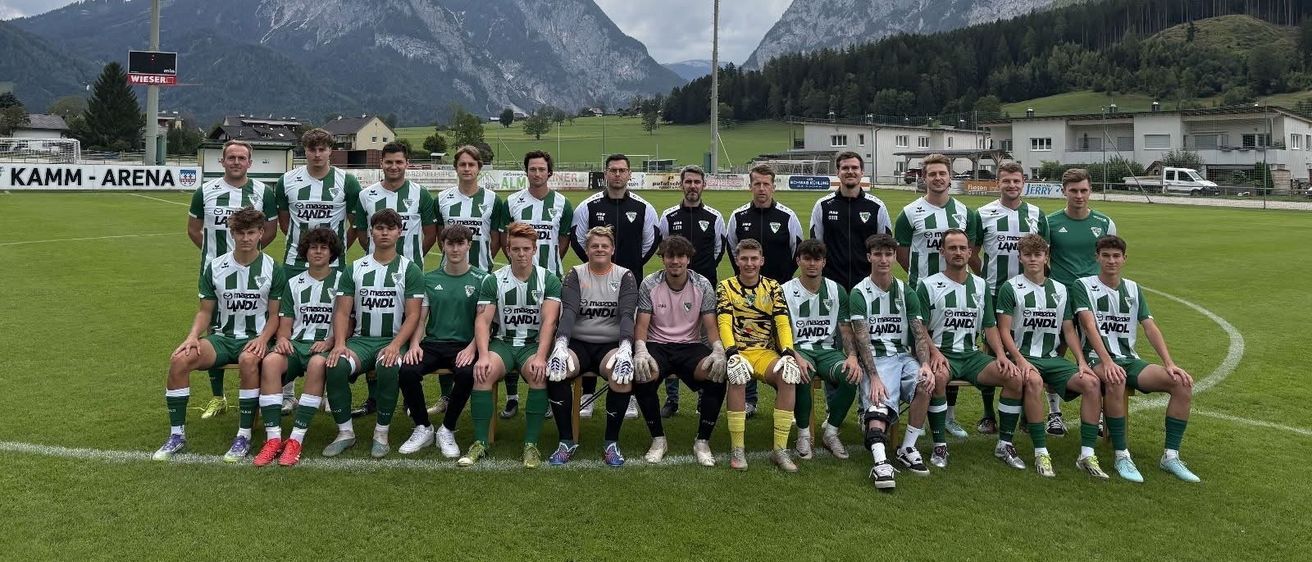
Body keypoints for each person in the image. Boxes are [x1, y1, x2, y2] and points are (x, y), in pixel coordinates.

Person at [280, 209, 425, 464]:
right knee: (335, 364)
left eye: (390, 228)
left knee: (389, 366)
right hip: (360, 340)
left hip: (392, 339)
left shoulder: (409, 269)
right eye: (379, 228)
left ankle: (381, 433)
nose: (384, 233)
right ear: (371, 232)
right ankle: (345, 432)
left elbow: (413, 316)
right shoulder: (356, 268)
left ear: (399, 232)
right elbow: (343, 311)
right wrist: (339, 344)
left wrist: (394, 345)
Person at [154, 207, 285, 461]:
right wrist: (192, 336)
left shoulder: (272, 268)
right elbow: (205, 311)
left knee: (248, 360)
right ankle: (176, 435)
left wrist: (261, 339)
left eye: (251, 232)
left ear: (261, 233)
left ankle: (243, 435)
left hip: (256, 339)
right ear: (232, 234)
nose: (245, 238)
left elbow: (275, 316)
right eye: (240, 233)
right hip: (222, 339)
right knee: (179, 360)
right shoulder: (216, 267)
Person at [915, 229, 1044, 472]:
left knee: (1014, 377)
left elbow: (989, 325)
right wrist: (933, 353)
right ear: (942, 252)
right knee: (939, 377)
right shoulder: (928, 285)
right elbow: (919, 328)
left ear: (971, 252)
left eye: (963, 248)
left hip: (971, 355)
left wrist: (999, 355)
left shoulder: (980, 285)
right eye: (952, 248)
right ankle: (940, 444)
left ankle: (1004, 444)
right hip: (943, 352)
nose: (958, 252)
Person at [1073, 235, 1199, 483]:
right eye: (1106, 255)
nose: (1111, 261)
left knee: (1182, 383)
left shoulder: (1133, 288)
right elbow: (1088, 325)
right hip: (1096, 359)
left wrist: (1169, 363)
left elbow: (1149, 326)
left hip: (1129, 359)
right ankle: (1122, 455)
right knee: (1116, 380)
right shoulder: (1083, 285)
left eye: (1116, 256)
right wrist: (1107, 361)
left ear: (1124, 259)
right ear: (1097, 258)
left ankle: (1170, 457)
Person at [994, 234, 1106, 478]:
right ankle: (1040, 451)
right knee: (1033, 381)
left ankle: (1087, 454)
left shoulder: (1060, 289)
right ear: (1020, 257)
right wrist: (1020, 359)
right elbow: (1003, 330)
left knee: (1091, 382)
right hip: (1022, 355)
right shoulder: (1011, 287)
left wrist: (1081, 361)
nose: (1033, 259)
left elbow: (1068, 329)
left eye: (1038, 254)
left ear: (1046, 257)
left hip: (1053, 358)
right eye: (1028, 255)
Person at [894, 153, 987, 440]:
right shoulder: (909, 212)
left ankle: (949, 415)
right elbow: (902, 252)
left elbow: (971, 250)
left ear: (950, 177)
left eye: (942, 174)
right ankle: (917, 408)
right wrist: (923, 277)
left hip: (956, 290)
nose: (937, 178)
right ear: (924, 178)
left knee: (954, 347)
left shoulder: (965, 213)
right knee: (920, 353)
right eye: (931, 174)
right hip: (922, 292)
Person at [186, 139, 278, 420]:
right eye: (231, 158)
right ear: (222, 161)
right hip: (215, 274)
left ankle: (260, 396)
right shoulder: (206, 191)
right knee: (216, 329)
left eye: (242, 158)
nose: (236, 162)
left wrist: (250, 255)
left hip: (254, 273)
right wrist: (218, 259)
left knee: (258, 328)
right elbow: (193, 229)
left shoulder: (264, 192)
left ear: (250, 162)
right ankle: (218, 397)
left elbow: (271, 231)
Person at [458, 222, 562, 469]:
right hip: (503, 343)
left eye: (526, 248)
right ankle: (480, 442)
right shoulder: (494, 280)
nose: (522, 254)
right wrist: (483, 355)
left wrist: (540, 356)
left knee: (538, 375)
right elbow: (483, 321)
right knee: (482, 373)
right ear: (508, 250)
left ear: (535, 249)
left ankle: (531, 444)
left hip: (532, 345)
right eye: (516, 249)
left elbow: (549, 323)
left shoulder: (548, 279)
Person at [272, 128, 361, 413]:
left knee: (333, 320)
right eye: (312, 149)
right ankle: (286, 392)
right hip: (294, 263)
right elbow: (286, 223)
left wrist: (332, 248)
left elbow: (354, 223)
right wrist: (306, 250)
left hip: (335, 265)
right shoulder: (287, 181)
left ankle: (323, 388)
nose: (317, 154)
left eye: (322, 149)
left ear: (330, 150)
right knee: (289, 322)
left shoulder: (346, 182)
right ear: (305, 151)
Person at [847, 234, 944, 490]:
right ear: (869, 257)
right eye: (877, 254)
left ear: (893, 258)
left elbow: (918, 331)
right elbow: (862, 338)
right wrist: (874, 377)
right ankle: (880, 463)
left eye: (888, 254)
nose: (883, 259)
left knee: (925, 383)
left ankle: (907, 448)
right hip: (877, 359)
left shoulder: (906, 291)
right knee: (878, 404)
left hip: (903, 356)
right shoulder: (860, 292)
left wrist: (924, 364)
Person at [975, 161, 1065, 436]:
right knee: (993, 353)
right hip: (994, 292)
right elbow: (973, 252)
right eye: (1006, 181)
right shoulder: (983, 213)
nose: (1011, 185)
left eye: (1016, 181)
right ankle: (989, 414)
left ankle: (1028, 413)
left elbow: (1044, 253)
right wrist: (987, 279)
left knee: (1028, 349)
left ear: (1023, 182)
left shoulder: (1037, 214)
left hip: (1030, 297)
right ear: (998, 182)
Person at [350, 142, 438, 418]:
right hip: (373, 274)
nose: (394, 167)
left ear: (407, 163)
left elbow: (430, 233)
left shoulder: (421, 194)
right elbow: (362, 234)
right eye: (389, 162)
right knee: (374, 330)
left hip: (410, 276)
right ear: (382, 164)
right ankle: (375, 398)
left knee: (409, 331)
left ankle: (408, 395)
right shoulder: (366, 195)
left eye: (399, 162)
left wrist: (411, 260)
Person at [570, 154, 659, 417]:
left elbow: (650, 243)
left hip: (629, 283)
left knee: (626, 333)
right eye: (612, 170)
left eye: (622, 170)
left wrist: (626, 269)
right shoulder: (589, 206)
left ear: (629, 174)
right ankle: (587, 394)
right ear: (605, 173)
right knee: (589, 329)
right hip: (592, 281)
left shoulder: (644, 207)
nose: (617, 175)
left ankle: (626, 391)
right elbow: (578, 240)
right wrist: (597, 267)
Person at [544, 226, 639, 466]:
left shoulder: (625, 275)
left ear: (612, 249)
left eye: (604, 246)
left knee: (621, 376)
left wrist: (626, 347)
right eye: (594, 246)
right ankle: (566, 440)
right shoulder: (575, 274)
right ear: (586, 249)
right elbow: (570, 312)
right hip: (578, 343)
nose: (599, 249)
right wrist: (561, 344)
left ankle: (611, 443)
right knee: (558, 373)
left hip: (610, 344)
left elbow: (628, 315)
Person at [631, 236, 728, 466]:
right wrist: (641, 350)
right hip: (657, 344)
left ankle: (702, 441)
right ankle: (658, 439)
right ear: (663, 259)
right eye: (670, 256)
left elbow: (711, 325)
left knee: (717, 373)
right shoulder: (649, 284)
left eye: (681, 256)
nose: (675, 261)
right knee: (643, 374)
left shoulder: (703, 284)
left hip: (689, 346)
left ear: (688, 258)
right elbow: (642, 326)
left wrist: (717, 350)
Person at [251, 227, 342, 466]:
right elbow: (286, 321)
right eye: (314, 247)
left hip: (323, 347)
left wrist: (331, 341)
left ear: (332, 252)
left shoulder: (343, 281)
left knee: (316, 365)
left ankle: (296, 439)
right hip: (296, 344)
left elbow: (348, 320)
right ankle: (273, 439)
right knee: (270, 362)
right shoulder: (294, 283)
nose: (318, 252)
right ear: (305, 251)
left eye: (324, 248)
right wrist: (282, 339)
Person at [394, 224, 487, 458]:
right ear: (442, 246)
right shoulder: (429, 279)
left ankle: (447, 428)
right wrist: (415, 345)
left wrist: (471, 348)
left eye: (460, 243)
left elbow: (484, 322)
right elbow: (421, 319)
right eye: (450, 244)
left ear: (469, 245)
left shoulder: (482, 279)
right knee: (407, 370)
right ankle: (423, 427)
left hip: (465, 344)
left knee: (467, 374)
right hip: (434, 344)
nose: (455, 249)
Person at [436, 145, 513, 417]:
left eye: (472, 164)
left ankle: (509, 395)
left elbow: (496, 238)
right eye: (462, 164)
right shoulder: (443, 198)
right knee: (444, 331)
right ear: (455, 168)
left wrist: (484, 263)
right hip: (450, 274)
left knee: (492, 330)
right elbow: (438, 235)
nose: (467, 169)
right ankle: (447, 395)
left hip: (482, 275)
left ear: (479, 168)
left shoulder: (493, 200)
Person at [716, 239, 804, 472]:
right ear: (737, 261)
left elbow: (782, 322)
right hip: (739, 352)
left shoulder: (773, 287)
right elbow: (724, 322)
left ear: (762, 261)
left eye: (754, 258)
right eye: (744, 258)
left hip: (764, 353)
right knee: (737, 377)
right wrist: (732, 353)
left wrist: (787, 352)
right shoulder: (725, 286)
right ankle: (738, 449)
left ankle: (780, 450)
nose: (749, 263)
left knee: (787, 375)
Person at [725, 164, 802, 416]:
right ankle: (749, 399)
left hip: (779, 293)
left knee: (782, 343)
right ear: (750, 186)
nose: (761, 188)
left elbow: (796, 251)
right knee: (746, 341)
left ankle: (786, 403)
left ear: (773, 186)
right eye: (756, 183)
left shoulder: (787, 216)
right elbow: (732, 249)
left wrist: (779, 284)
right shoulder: (738, 216)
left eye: (766, 184)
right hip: (746, 294)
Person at [1045, 167, 1117, 437]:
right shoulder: (1050, 222)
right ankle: (1054, 414)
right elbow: (1043, 260)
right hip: (1060, 298)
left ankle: (1096, 415)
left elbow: (1109, 259)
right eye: (1073, 190)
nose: (1079, 195)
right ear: (1063, 191)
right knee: (1056, 353)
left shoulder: (1104, 222)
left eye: (1084, 190)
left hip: (1092, 298)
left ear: (1090, 191)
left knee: (1095, 353)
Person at [780, 240, 862, 463]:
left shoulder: (837, 290)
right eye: (807, 259)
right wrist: (794, 356)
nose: (812, 264)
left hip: (827, 351)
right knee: (802, 373)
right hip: (798, 349)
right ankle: (804, 435)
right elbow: (781, 331)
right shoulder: (785, 291)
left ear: (824, 262)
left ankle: (831, 432)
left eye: (817, 259)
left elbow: (845, 329)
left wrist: (853, 356)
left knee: (850, 375)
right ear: (798, 261)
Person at [656, 164, 727, 417]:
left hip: (703, 293)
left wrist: (700, 279)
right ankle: (672, 400)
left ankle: (702, 396)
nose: (693, 186)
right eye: (688, 182)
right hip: (672, 291)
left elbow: (719, 250)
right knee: (670, 339)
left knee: (705, 343)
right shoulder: (668, 216)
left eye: (697, 182)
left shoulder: (715, 217)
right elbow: (663, 248)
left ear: (703, 185)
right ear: (681, 184)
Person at [808, 151, 893, 290]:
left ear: (862, 172)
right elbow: (816, 246)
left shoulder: (877, 206)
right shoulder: (822, 205)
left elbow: (886, 246)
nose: (850, 172)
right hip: (831, 283)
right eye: (845, 168)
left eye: (855, 168)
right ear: (838, 172)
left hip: (868, 283)